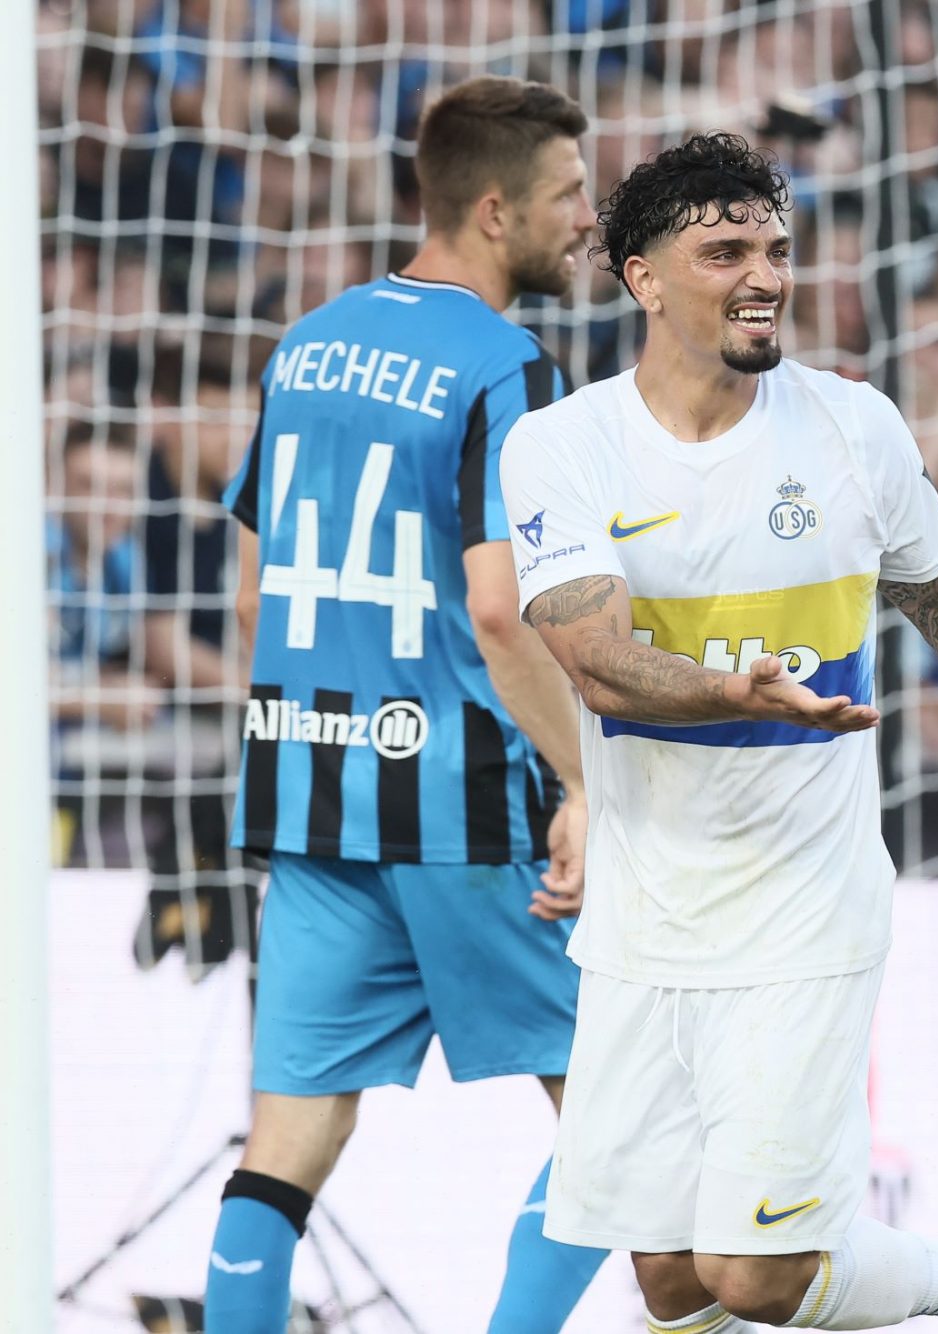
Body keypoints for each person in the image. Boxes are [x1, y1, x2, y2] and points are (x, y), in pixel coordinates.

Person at [500, 132, 938, 1334]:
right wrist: (732, 693)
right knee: (669, 1278)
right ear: (642, 278)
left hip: (803, 907)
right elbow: (594, 659)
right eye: (724, 250)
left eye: (776, 248)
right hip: (642, 914)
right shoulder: (561, 445)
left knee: (757, 1273)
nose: (763, 274)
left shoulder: (851, 428)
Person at [206, 76, 610, 1333]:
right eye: (568, 194)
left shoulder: (305, 343)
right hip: (461, 802)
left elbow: (251, 592)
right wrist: (587, 779)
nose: (588, 218)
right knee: (619, 1112)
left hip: (312, 793)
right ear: (494, 210)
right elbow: (501, 610)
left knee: (286, 1146)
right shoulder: (507, 365)